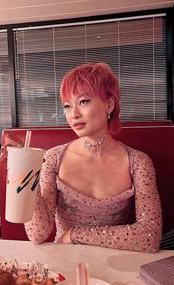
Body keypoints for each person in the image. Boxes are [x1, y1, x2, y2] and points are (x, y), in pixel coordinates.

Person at [24, 62, 162, 253]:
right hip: (65, 261)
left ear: (109, 104)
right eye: (67, 106)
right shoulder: (54, 158)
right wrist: (23, 179)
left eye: (83, 101)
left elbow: (150, 236)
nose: (74, 114)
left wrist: (76, 235)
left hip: (116, 263)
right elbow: (37, 234)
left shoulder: (138, 162)